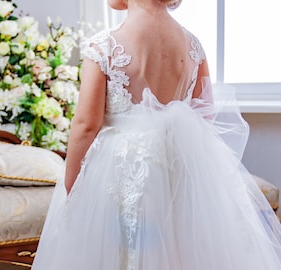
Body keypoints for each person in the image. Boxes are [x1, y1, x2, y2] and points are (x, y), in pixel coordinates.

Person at [31, 0, 281, 269]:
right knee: (178, 246)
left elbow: (86, 125)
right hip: (183, 167)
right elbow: (204, 114)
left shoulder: (104, 46)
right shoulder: (193, 45)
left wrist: (72, 185)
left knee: (122, 247)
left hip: (121, 168)